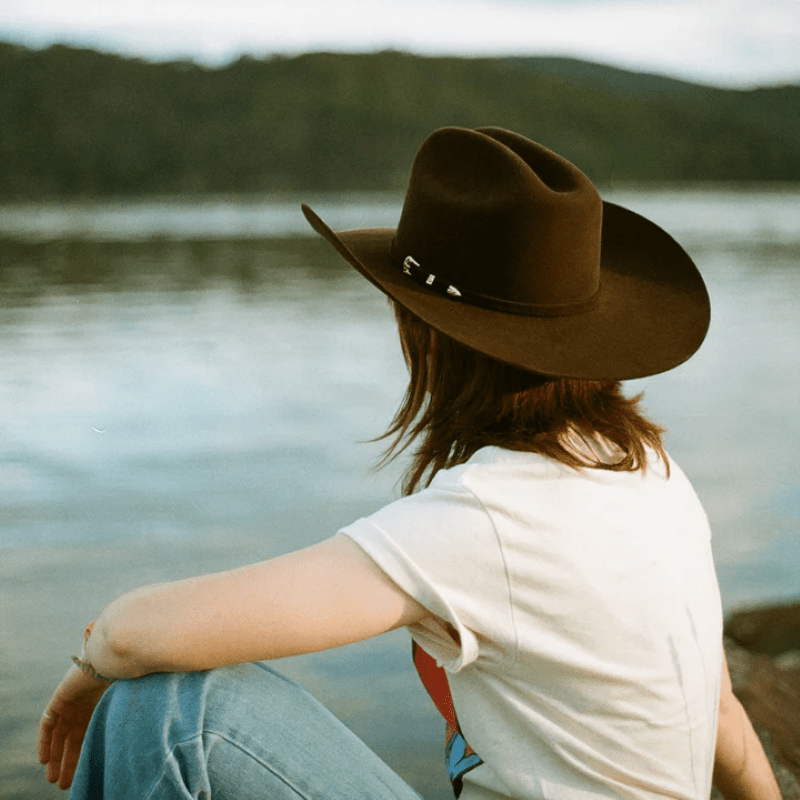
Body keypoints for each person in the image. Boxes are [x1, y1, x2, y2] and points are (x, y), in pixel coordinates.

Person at [39, 126, 781, 800]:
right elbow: (718, 711)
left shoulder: (489, 518)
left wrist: (89, 671)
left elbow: (134, 633)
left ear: (427, 335)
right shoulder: (650, 472)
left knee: (174, 709)